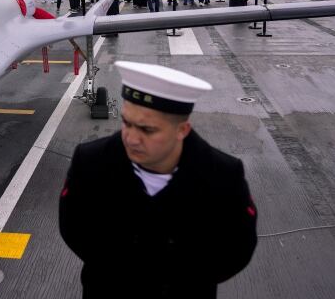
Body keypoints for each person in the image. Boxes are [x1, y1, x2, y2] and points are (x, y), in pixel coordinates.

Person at [59, 61, 257, 298]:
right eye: (126, 123)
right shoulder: (91, 162)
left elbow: (238, 249)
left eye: (147, 130)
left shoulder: (223, 176)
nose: (131, 139)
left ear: (182, 130)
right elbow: (74, 228)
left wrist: (185, 280)